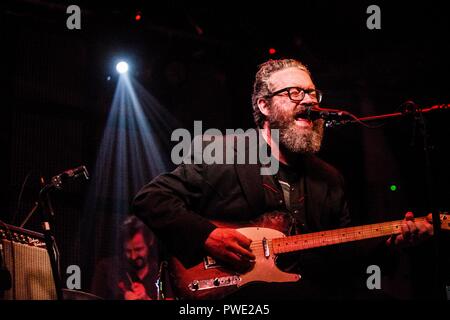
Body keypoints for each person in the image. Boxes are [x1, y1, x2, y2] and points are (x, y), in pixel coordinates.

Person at [132, 59, 433, 299]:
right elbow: (151, 199)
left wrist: (388, 243)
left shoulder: (329, 178)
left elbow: (340, 257)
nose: (309, 102)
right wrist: (207, 236)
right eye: (294, 93)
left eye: (312, 93)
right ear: (264, 106)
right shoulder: (225, 153)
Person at [91, 216, 172, 300]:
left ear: (150, 242)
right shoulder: (106, 269)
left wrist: (146, 298)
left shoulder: (161, 271)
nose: (133, 257)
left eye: (138, 249)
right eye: (128, 251)